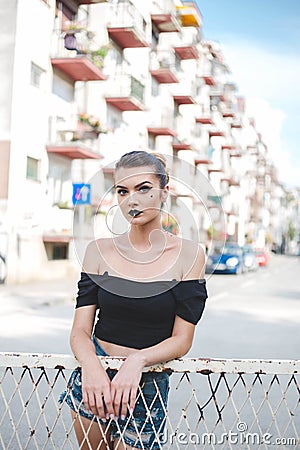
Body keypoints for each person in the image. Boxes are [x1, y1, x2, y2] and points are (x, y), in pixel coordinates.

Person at [59, 151, 208, 449]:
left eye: (143, 189)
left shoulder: (190, 255)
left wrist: (136, 362)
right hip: (93, 382)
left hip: (147, 383)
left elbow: (182, 339)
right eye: (122, 191)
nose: (132, 200)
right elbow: (79, 331)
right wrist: (92, 366)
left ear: (164, 192)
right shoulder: (98, 251)